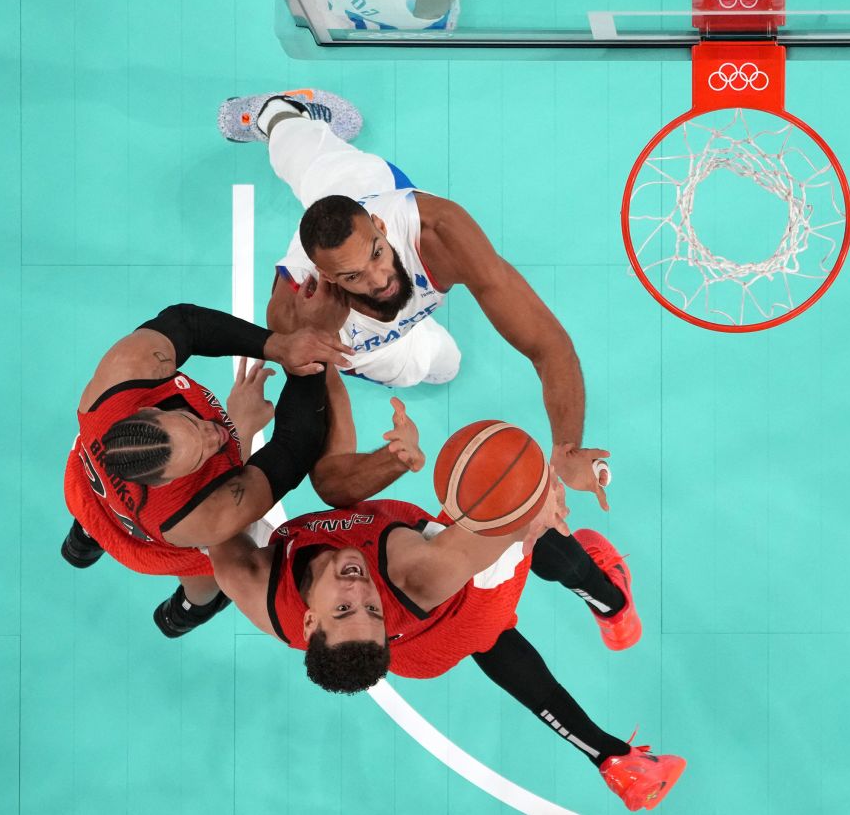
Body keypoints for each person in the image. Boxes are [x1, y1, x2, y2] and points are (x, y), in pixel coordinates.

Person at [207, 397, 681, 810]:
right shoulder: (417, 574)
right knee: (508, 512)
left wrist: (244, 427)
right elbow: (512, 518)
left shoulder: (249, 582)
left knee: (484, 639)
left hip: (420, 654)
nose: (359, 593)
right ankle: (611, 602)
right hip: (462, 597)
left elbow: (220, 515)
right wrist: (549, 486)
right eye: (367, 609)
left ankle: (614, 761)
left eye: (349, 610)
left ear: (309, 622)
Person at [216, 89, 614, 510]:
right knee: (440, 365)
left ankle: (277, 114)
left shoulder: (438, 232)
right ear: (329, 278)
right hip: (363, 341)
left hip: (363, 187)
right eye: (354, 276)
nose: (380, 280)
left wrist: (566, 445)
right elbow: (330, 480)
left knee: (313, 161)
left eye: (377, 255)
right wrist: (393, 460)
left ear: (382, 228)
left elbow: (548, 344)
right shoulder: (301, 324)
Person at [59, 301, 356, 638]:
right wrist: (246, 423)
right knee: (208, 568)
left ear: (150, 409)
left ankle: (81, 543)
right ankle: (186, 613)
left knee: (94, 507)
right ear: (165, 482)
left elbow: (187, 324)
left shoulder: (126, 372)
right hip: (149, 546)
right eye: (201, 456)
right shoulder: (202, 518)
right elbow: (294, 448)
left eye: (192, 423)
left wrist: (282, 346)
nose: (214, 436)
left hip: (88, 491)